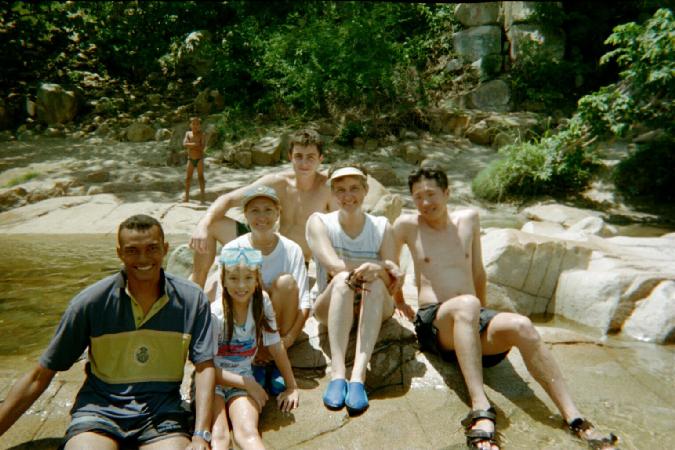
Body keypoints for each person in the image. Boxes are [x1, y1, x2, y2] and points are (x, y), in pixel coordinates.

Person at [392, 166, 619, 450]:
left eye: (431, 194)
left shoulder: (469, 219)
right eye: (417, 197)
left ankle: (574, 419)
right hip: (435, 322)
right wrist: (399, 300)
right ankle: (480, 409)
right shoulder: (406, 225)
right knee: (467, 304)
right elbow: (387, 266)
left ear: (447, 193)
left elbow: (478, 273)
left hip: (469, 316)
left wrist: (482, 319)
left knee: (521, 325)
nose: (425, 203)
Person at [0, 214, 216, 450]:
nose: (143, 258)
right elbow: (40, 375)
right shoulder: (91, 302)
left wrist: (201, 434)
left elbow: (205, 367)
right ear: (119, 253)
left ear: (165, 249)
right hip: (99, 412)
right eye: (132, 250)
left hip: (161, 415)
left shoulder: (191, 300)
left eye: (152, 248)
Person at [306, 163, 403, 417]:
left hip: (374, 304)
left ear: (366, 190)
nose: (348, 196)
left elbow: (393, 279)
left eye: (354, 189)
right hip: (331, 304)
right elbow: (333, 266)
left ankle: (358, 376)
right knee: (342, 280)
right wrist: (378, 265)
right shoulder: (319, 223)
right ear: (332, 193)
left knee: (376, 282)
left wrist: (380, 271)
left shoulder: (382, 227)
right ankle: (338, 374)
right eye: (340, 190)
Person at [189, 128, 335, 287]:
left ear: (321, 159)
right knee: (212, 225)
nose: (304, 163)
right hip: (265, 247)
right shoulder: (279, 182)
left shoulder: (328, 190)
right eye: (298, 156)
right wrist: (202, 226)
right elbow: (228, 199)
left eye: (310, 157)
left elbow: (339, 232)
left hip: (294, 262)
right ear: (290, 157)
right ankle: (196, 292)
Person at [205, 185, 310, 395]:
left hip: (279, 329)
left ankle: (274, 362)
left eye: (268, 210)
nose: (262, 216)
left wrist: (287, 340)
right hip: (247, 331)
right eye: (255, 210)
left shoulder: (291, 250)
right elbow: (223, 302)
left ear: (278, 213)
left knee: (286, 283)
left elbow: (305, 303)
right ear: (245, 215)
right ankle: (254, 361)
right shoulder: (232, 249)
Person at [210, 246, 299, 450]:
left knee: (248, 434)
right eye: (233, 278)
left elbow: (275, 345)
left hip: (242, 377)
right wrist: (249, 383)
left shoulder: (262, 301)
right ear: (223, 279)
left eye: (248, 278)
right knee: (220, 436)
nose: (241, 285)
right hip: (213, 381)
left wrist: (291, 386)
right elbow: (204, 367)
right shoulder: (215, 314)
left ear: (257, 278)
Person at [183, 116, 206, 204]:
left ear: (199, 125)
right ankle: (186, 197)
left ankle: (203, 197)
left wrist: (191, 146)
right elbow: (184, 144)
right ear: (190, 125)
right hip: (190, 159)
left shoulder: (202, 134)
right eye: (193, 124)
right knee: (188, 178)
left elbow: (202, 147)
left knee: (201, 177)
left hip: (199, 159)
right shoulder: (188, 133)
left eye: (197, 124)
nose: (195, 125)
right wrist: (195, 144)